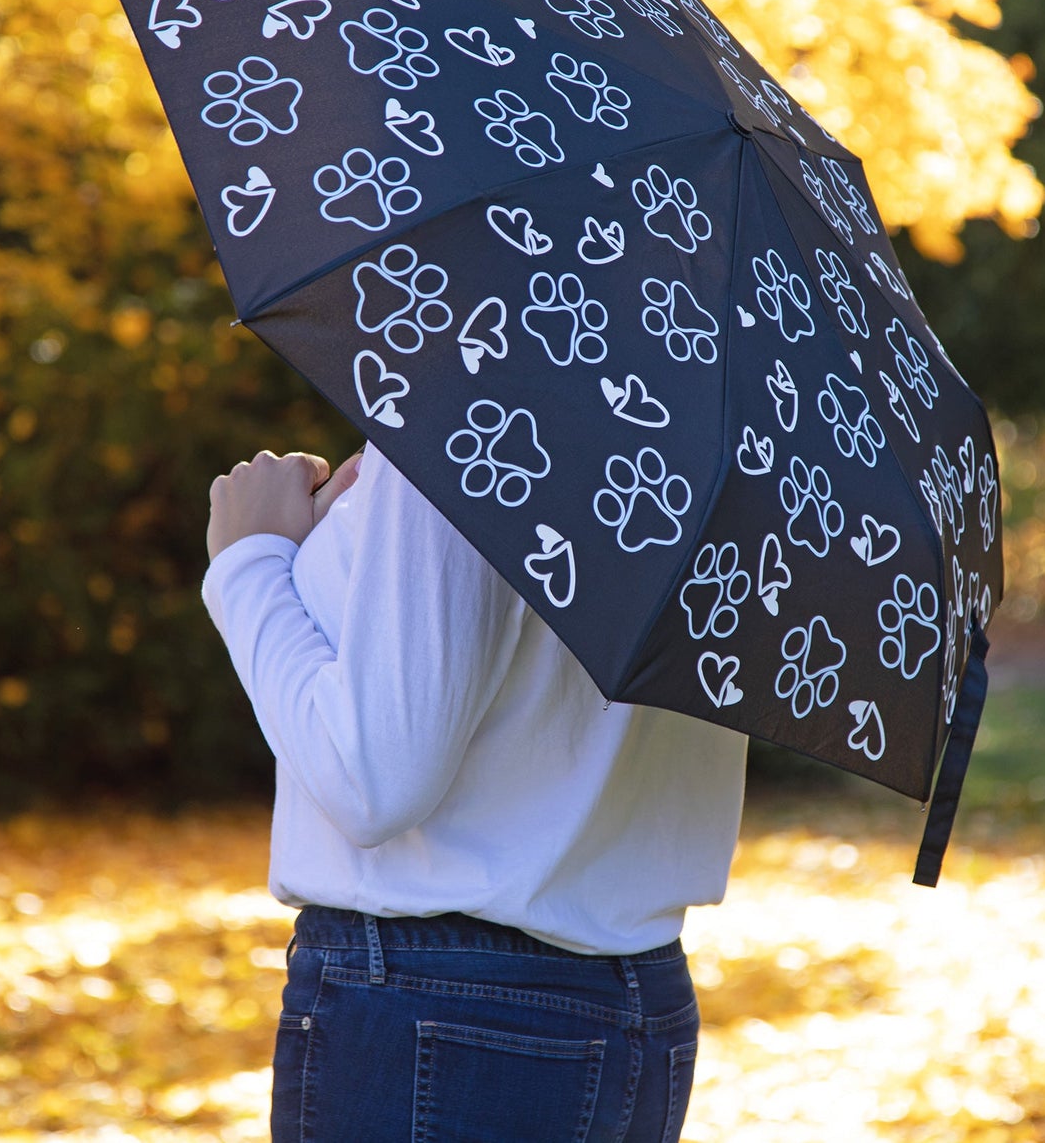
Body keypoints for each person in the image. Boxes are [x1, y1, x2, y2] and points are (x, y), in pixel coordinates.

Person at [203, 442, 748, 1142]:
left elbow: (369, 777)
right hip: (639, 1002)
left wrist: (249, 562)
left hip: (431, 1003)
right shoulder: (713, 436)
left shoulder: (464, 416)